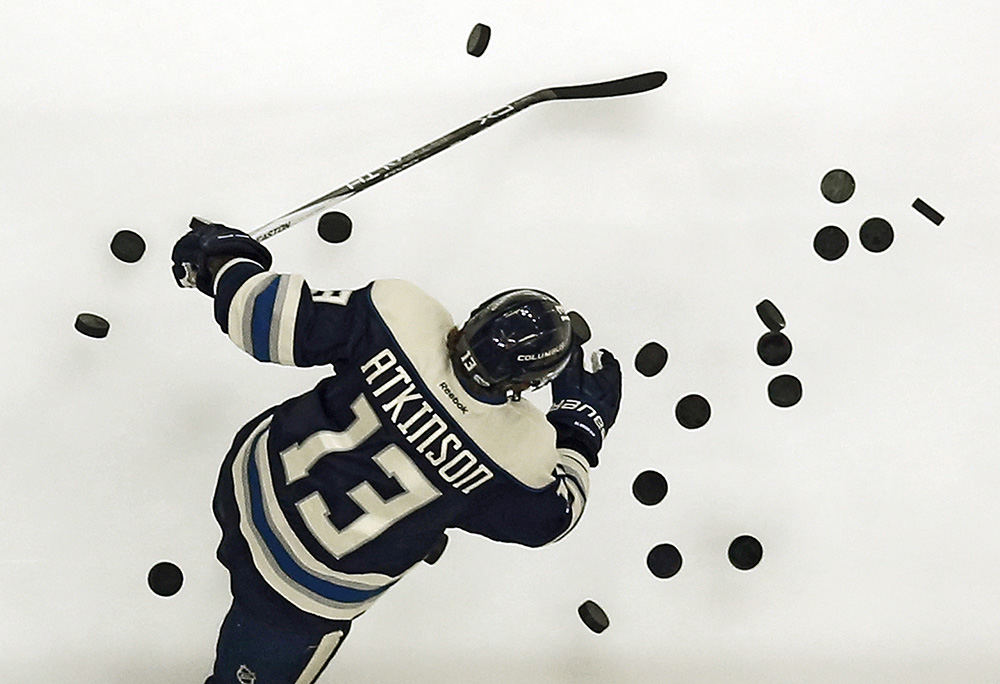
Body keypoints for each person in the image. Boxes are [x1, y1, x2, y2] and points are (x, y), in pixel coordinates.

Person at [171, 219, 623, 684]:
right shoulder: (519, 452)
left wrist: (224, 264)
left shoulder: (399, 315)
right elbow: (553, 519)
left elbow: (264, 320)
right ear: (528, 385)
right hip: (300, 595)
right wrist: (579, 431)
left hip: (247, 484)